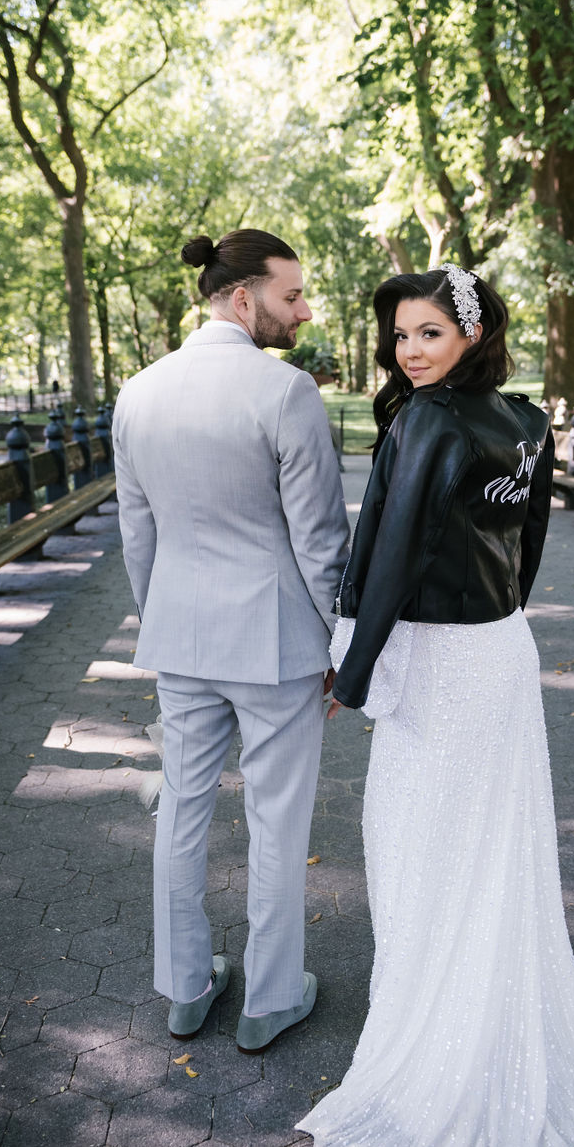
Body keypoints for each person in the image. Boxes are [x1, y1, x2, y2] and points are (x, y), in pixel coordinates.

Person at [296, 265, 574, 1147]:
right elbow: (534, 540)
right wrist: (506, 615)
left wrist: (350, 677)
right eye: (401, 336)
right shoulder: (522, 418)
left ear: (470, 336)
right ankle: (481, 1014)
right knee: (488, 847)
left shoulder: (426, 422)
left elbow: (386, 554)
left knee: (418, 843)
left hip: (441, 661)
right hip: (501, 650)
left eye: (429, 333)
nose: (410, 351)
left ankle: (439, 1050)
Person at [112, 229, 350, 1054]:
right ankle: (271, 999)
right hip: (278, 642)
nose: (305, 310)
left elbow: (136, 536)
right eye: (292, 295)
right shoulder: (286, 393)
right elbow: (321, 542)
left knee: (181, 809)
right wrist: (341, 646)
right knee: (278, 822)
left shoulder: (137, 393)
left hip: (180, 638)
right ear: (243, 297)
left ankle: (184, 989)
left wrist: (165, 617)